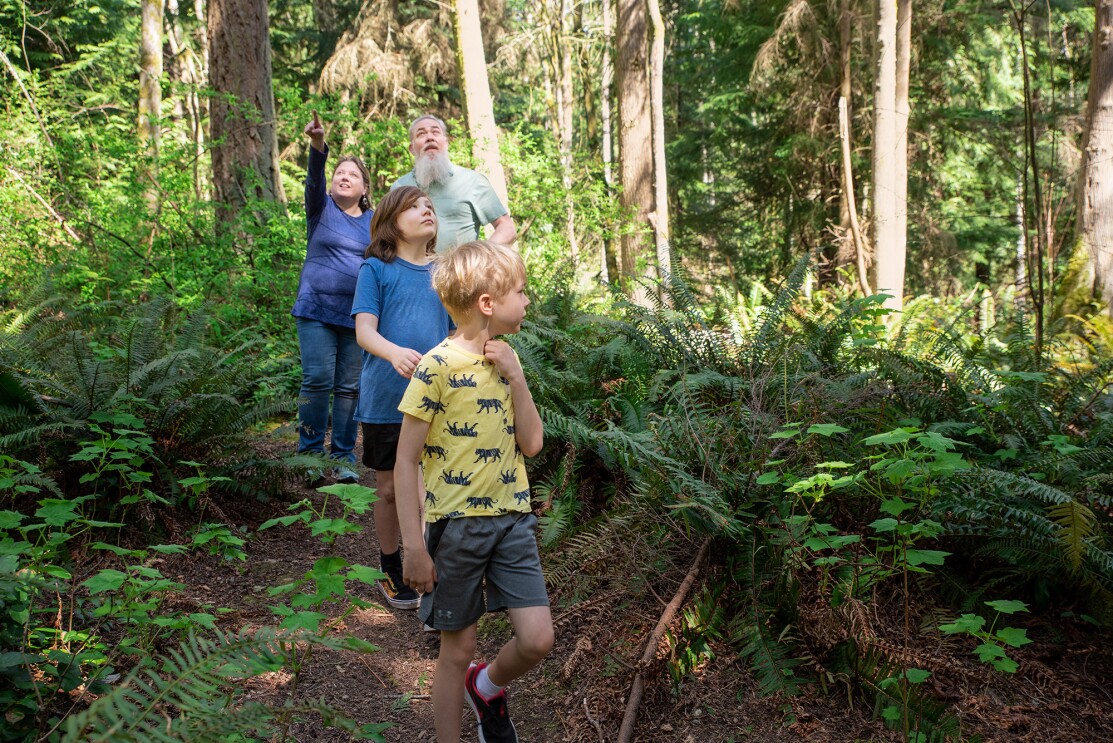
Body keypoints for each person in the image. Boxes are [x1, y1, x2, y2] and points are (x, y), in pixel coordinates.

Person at [395, 241, 551, 743]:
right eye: (521, 292)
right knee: (455, 650)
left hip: (513, 520)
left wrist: (517, 376)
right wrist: (414, 548)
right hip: (455, 527)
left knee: (537, 639)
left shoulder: (509, 360)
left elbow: (532, 444)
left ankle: (486, 687)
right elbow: (404, 460)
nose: (527, 301)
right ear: (488, 303)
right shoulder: (436, 367)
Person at [351, 187, 453, 611]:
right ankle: (390, 563)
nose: (425, 210)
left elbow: (454, 332)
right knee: (391, 487)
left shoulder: (445, 273)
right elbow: (364, 331)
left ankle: (428, 561)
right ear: (392, 221)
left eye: (429, 206)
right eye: (414, 206)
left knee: (433, 486)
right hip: (385, 398)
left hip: (438, 400)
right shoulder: (376, 270)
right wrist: (393, 352)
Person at [291, 112, 371, 484]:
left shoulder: (375, 223)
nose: (344, 176)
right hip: (316, 309)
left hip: (358, 315)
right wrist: (318, 146)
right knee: (317, 380)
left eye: (352, 174)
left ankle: (342, 456)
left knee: (349, 387)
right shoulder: (320, 208)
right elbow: (314, 178)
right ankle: (309, 456)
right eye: (340, 171)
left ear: (365, 188)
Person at [391, 115, 517, 252]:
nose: (429, 137)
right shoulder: (399, 188)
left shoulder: (473, 181)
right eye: (421, 134)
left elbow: (507, 228)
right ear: (412, 148)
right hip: (411, 272)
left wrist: (478, 257)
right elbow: (389, 235)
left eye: (435, 132)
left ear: (445, 143)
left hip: (462, 272)